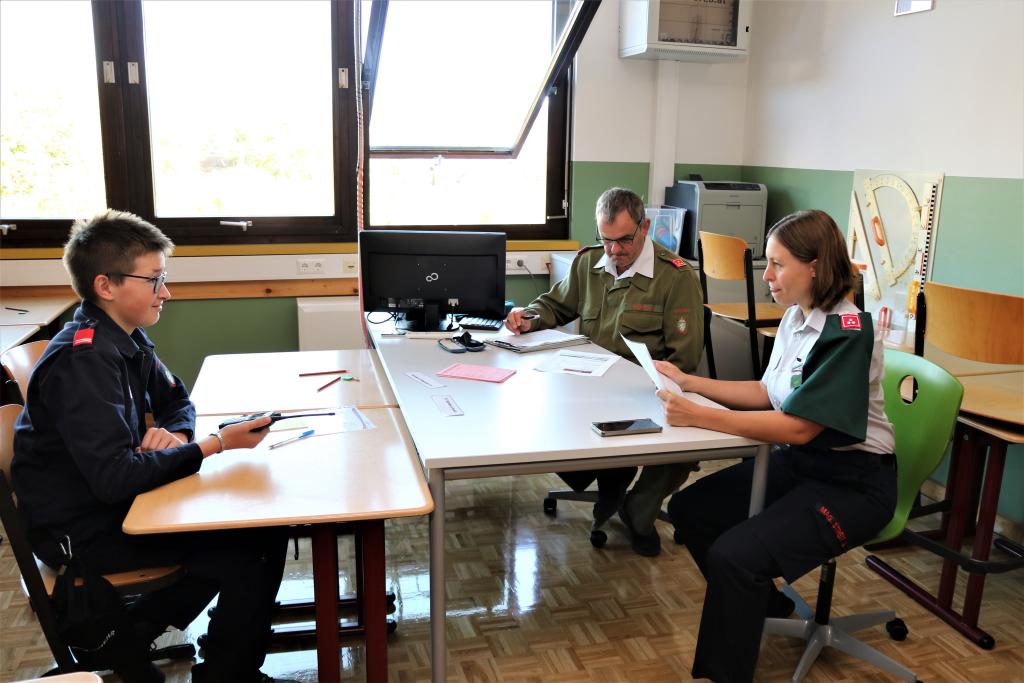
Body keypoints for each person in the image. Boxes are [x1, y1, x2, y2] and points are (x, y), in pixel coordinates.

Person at [12, 210, 294, 683]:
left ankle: (143, 633)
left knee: (263, 529)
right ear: (106, 286)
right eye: (155, 279)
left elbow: (176, 400)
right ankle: (218, 670)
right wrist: (215, 444)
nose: (167, 292)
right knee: (251, 547)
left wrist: (178, 436)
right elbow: (113, 479)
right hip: (83, 530)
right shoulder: (84, 362)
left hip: (112, 502)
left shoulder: (125, 336)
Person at [655, 209, 897, 683]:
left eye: (777, 264)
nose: (766, 276)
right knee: (691, 509)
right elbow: (767, 392)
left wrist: (699, 415)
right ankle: (766, 604)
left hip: (856, 484)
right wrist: (689, 382)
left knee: (735, 557)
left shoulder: (847, 333)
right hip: (805, 464)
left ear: (815, 267)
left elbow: (801, 427)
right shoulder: (794, 317)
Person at [505, 187, 704, 556]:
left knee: (686, 447)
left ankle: (638, 509)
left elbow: (685, 361)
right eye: (606, 240)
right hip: (590, 389)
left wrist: (653, 390)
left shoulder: (676, 277)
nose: (614, 250)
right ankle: (610, 494)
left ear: (644, 227)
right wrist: (527, 318)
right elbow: (555, 305)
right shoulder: (589, 263)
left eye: (624, 240)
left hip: (645, 394)